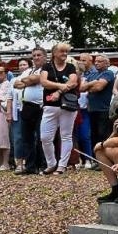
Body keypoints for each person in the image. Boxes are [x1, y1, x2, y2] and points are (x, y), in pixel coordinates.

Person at [37, 42, 81, 175]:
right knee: (45, 137)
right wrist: (61, 86)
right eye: (62, 51)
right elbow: (44, 82)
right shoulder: (47, 66)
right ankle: (51, 163)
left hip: (67, 106)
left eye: (66, 52)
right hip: (50, 106)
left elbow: (73, 82)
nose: (65, 54)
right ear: (55, 53)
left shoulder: (71, 67)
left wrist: (58, 92)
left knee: (66, 136)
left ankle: (62, 165)